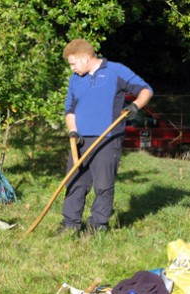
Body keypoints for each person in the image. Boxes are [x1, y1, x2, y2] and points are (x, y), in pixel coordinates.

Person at [56, 38, 153, 236]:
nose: (72, 68)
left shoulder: (116, 71)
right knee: (75, 183)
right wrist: (73, 131)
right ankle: (70, 224)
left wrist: (135, 106)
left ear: (84, 58)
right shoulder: (76, 79)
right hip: (80, 140)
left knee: (103, 185)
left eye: (73, 63)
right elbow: (69, 109)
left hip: (107, 139)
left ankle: (97, 227)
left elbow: (146, 90)